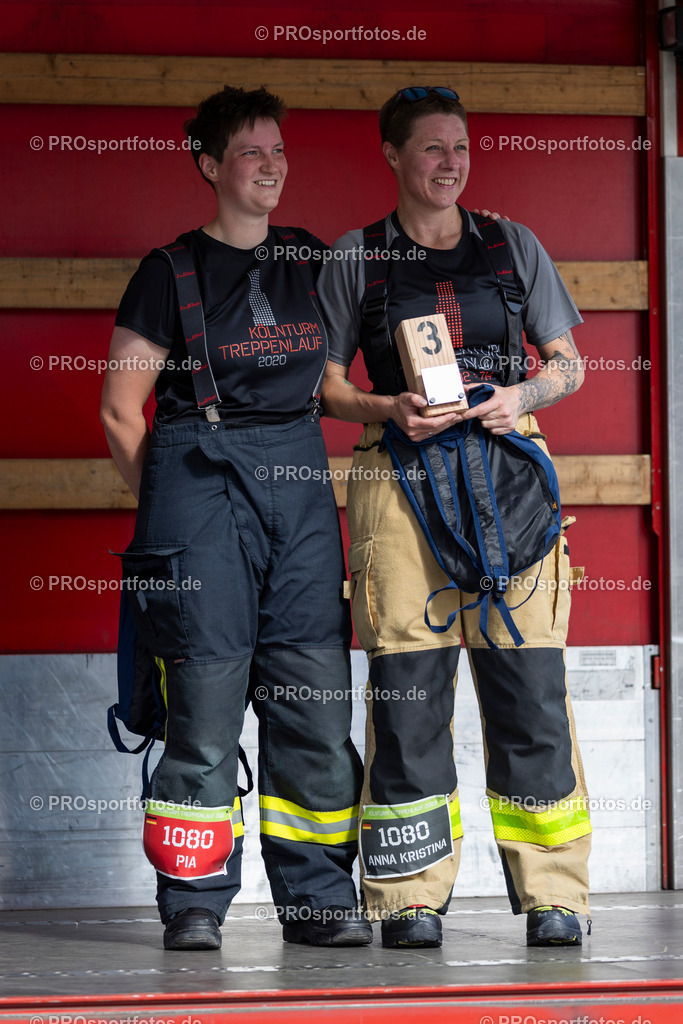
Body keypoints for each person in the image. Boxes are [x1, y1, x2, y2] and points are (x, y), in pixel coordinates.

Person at [316, 86, 591, 949]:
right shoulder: (354, 257)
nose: (449, 163)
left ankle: (554, 894)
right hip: (397, 481)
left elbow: (569, 366)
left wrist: (520, 396)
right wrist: (386, 407)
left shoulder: (512, 246)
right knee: (408, 694)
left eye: (460, 147)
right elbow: (325, 386)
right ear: (393, 155)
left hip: (510, 477)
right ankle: (409, 897)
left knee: (530, 689)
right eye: (431, 148)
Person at [100, 85, 372, 951]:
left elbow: (364, 342)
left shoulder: (310, 259)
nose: (270, 165)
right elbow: (120, 411)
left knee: (313, 705)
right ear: (210, 165)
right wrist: (170, 511)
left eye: (278, 150)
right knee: (203, 705)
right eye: (252, 151)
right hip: (198, 480)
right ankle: (193, 901)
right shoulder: (167, 271)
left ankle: (318, 898)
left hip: (298, 480)